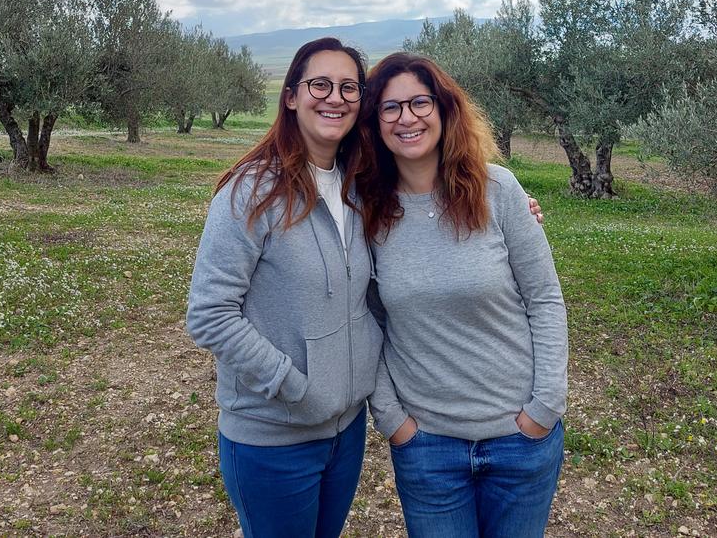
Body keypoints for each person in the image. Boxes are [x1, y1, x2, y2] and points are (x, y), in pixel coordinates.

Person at [187, 39, 546, 538]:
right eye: (320, 84)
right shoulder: (252, 190)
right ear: (291, 96)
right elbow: (209, 313)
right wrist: (298, 387)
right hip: (275, 434)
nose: (334, 97)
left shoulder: (360, 191)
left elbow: (372, 306)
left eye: (349, 87)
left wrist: (514, 208)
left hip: (345, 434)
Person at [359, 52, 568, 538]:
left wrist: (544, 409)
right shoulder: (365, 211)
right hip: (428, 447)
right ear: (374, 123)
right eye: (390, 108)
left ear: (444, 109)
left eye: (419, 102)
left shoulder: (499, 190)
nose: (406, 117)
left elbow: (545, 298)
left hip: (521, 441)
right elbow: (366, 321)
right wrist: (393, 420)